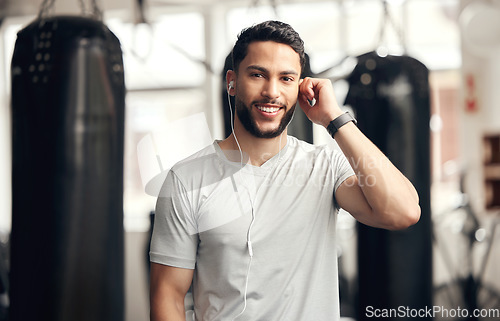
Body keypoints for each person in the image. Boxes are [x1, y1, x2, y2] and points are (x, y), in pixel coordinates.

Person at [149, 20, 420, 321]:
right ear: (231, 82)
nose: (272, 92)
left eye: (286, 79)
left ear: (300, 87)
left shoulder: (325, 168)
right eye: (257, 75)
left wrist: (335, 119)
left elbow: (403, 212)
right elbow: (168, 295)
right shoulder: (186, 180)